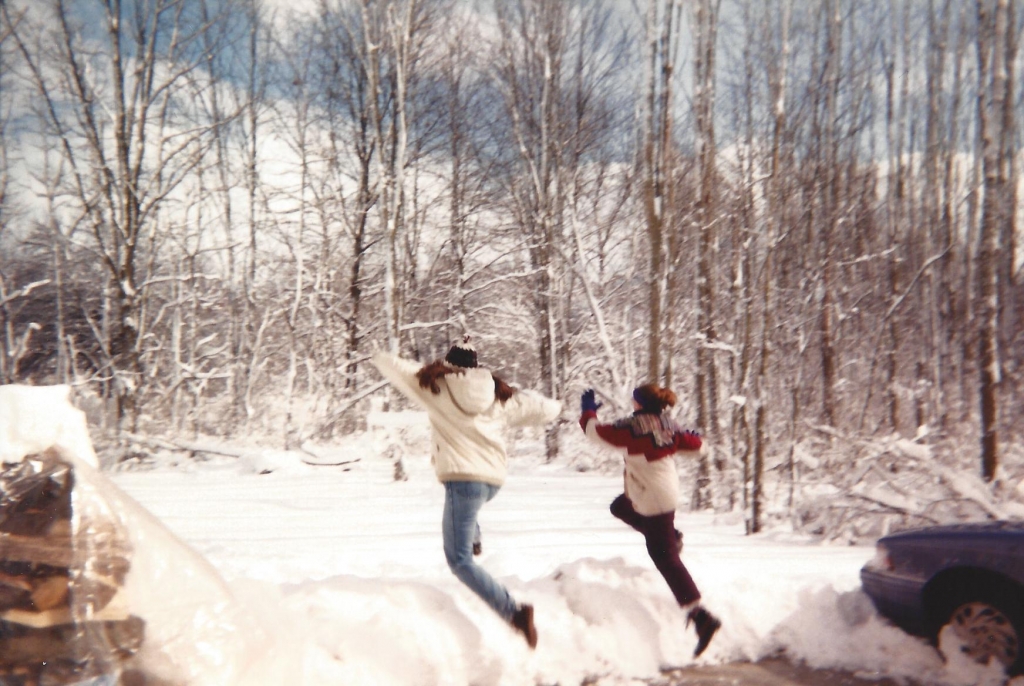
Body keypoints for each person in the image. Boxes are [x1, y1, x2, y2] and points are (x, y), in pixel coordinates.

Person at [372, 337, 562, 649]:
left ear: (447, 364)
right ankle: (473, 535)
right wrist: (559, 407)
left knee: (459, 561)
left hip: (463, 481)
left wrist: (379, 353)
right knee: (467, 515)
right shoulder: (497, 394)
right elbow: (537, 407)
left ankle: (514, 613)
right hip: (492, 481)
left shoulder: (436, 387)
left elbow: (402, 369)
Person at [578, 384, 722, 657]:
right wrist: (689, 437)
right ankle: (672, 537)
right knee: (620, 506)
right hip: (660, 491)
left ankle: (701, 617)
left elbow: (595, 433)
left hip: (653, 497)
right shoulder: (668, 425)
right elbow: (699, 447)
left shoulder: (632, 428)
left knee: (663, 556)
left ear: (640, 403)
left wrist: (588, 411)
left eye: (634, 398)